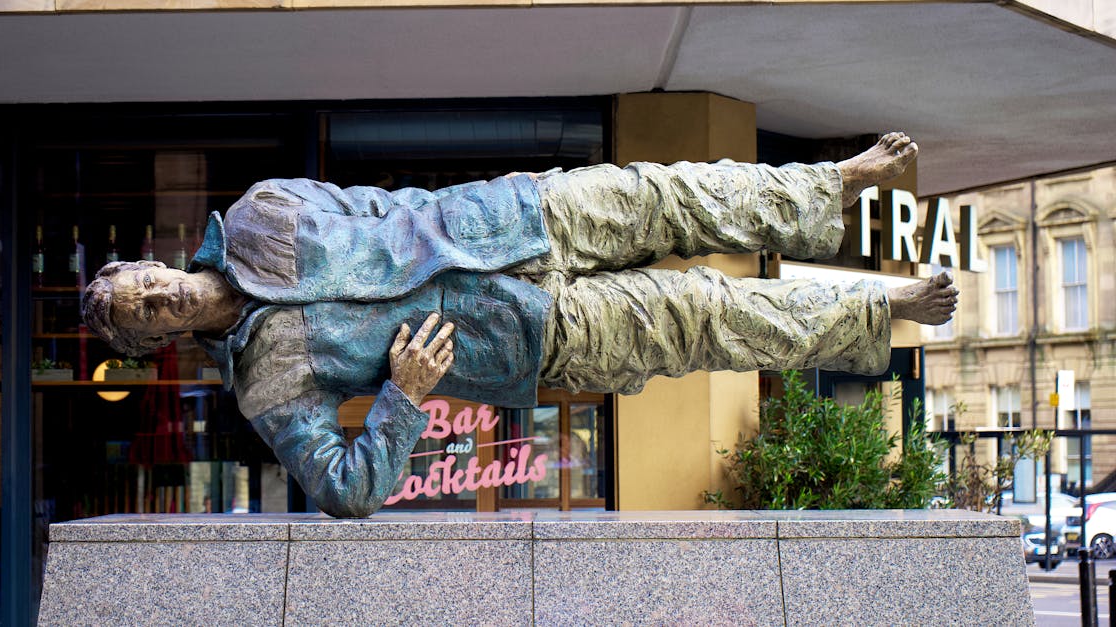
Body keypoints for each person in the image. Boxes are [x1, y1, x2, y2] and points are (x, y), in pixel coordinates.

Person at [82, 132, 957, 518]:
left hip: (513, 216)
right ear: (155, 346)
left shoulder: (266, 210)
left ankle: (833, 182)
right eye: (146, 318)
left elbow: (380, 203)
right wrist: (403, 397)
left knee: (671, 193)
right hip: (529, 336)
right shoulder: (268, 384)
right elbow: (346, 490)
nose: (161, 301)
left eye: (148, 285)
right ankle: (881, 306)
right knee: (707, 315)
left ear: (156, 259)